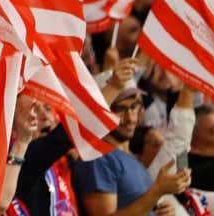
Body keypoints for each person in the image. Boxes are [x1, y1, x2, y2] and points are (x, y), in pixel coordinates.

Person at [73, 87, 192, 215]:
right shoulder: (97, 158)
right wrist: (157, 191)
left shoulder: (130, 158)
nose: (130, 118)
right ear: (103, 111)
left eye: (134, 106)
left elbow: (140, 206)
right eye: (120, 109)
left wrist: (161, 211)